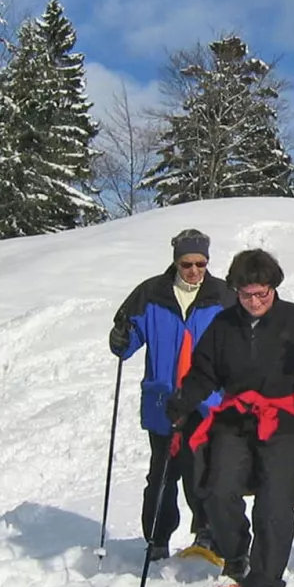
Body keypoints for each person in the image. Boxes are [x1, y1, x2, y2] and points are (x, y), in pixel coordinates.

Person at [170, 248, 294, 587]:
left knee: (274, 504)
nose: (254, 301)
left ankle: (265, 583)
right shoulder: (224, 325)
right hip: (235, 418)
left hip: (284, 421)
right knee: (217, 491)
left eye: (261, 293)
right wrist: (183, 400)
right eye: (246, 294)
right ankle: (236, 554)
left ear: (274, 287)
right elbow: (204, 372)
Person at [109, 228, 235, 563]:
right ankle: (157, 538)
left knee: (203, 469)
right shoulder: (151, 294)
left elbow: (238, 344)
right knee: (162, 473)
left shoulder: (223, 295)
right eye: (187, 264)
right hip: (163, 400)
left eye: (200, 264)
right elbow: (127, 342)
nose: (194, 271)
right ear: (176, 261)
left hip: (207, 402)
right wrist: (121, 338)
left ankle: (206, 533)